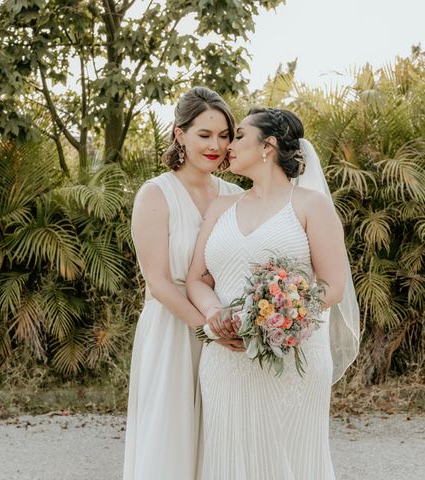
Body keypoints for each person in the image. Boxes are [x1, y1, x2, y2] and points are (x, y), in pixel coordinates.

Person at [186, 107, 360, 479]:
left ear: (268, 145)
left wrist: (279, 311)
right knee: (232, 459)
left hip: (290, 353)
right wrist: (216, 314)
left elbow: (332, 285)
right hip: (226, 357)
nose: (228, 145)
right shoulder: (221, 206)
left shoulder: (311, 205)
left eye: (238, 136)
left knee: (291, 459)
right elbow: (197, 279)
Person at [123, 87, 244, 480]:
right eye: (204, 135)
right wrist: (206, 327)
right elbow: (157, 281)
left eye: (224, 136)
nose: (216, 145)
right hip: (172, 330)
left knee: (222, 439)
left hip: (226, 329)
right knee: (170, 437)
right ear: (180, 134)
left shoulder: (237, 195)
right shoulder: (156, 194)